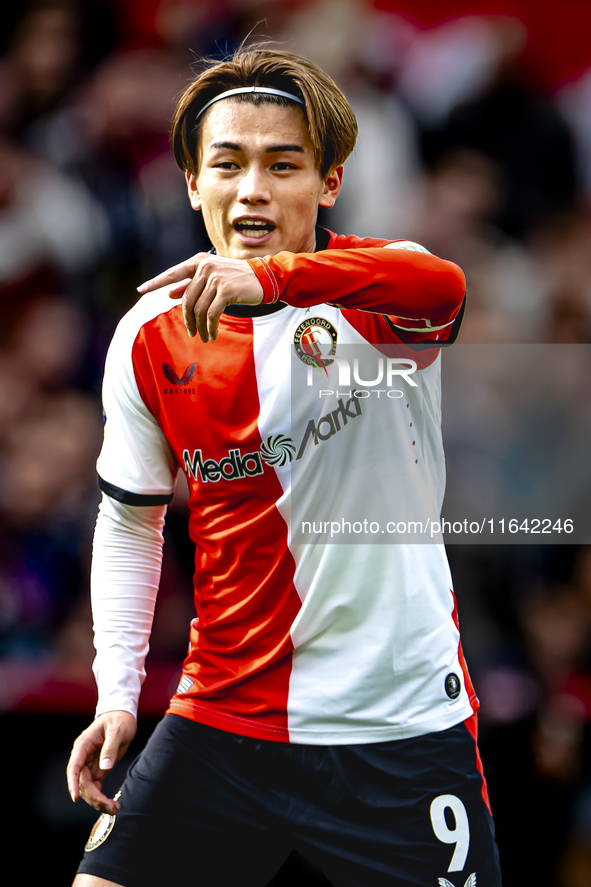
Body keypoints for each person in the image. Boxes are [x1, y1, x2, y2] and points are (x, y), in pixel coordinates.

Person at [67, 47, 502, 887]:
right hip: (223, 721)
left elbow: (441, 284)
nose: (252, 189)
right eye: (226, 164)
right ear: (192, 184)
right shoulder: (149, 334)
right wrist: (116, 690)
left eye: (283, 164)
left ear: (329, 183)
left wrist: (274, 281)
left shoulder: (375, 296)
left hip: (398, 729)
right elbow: (129, 520)